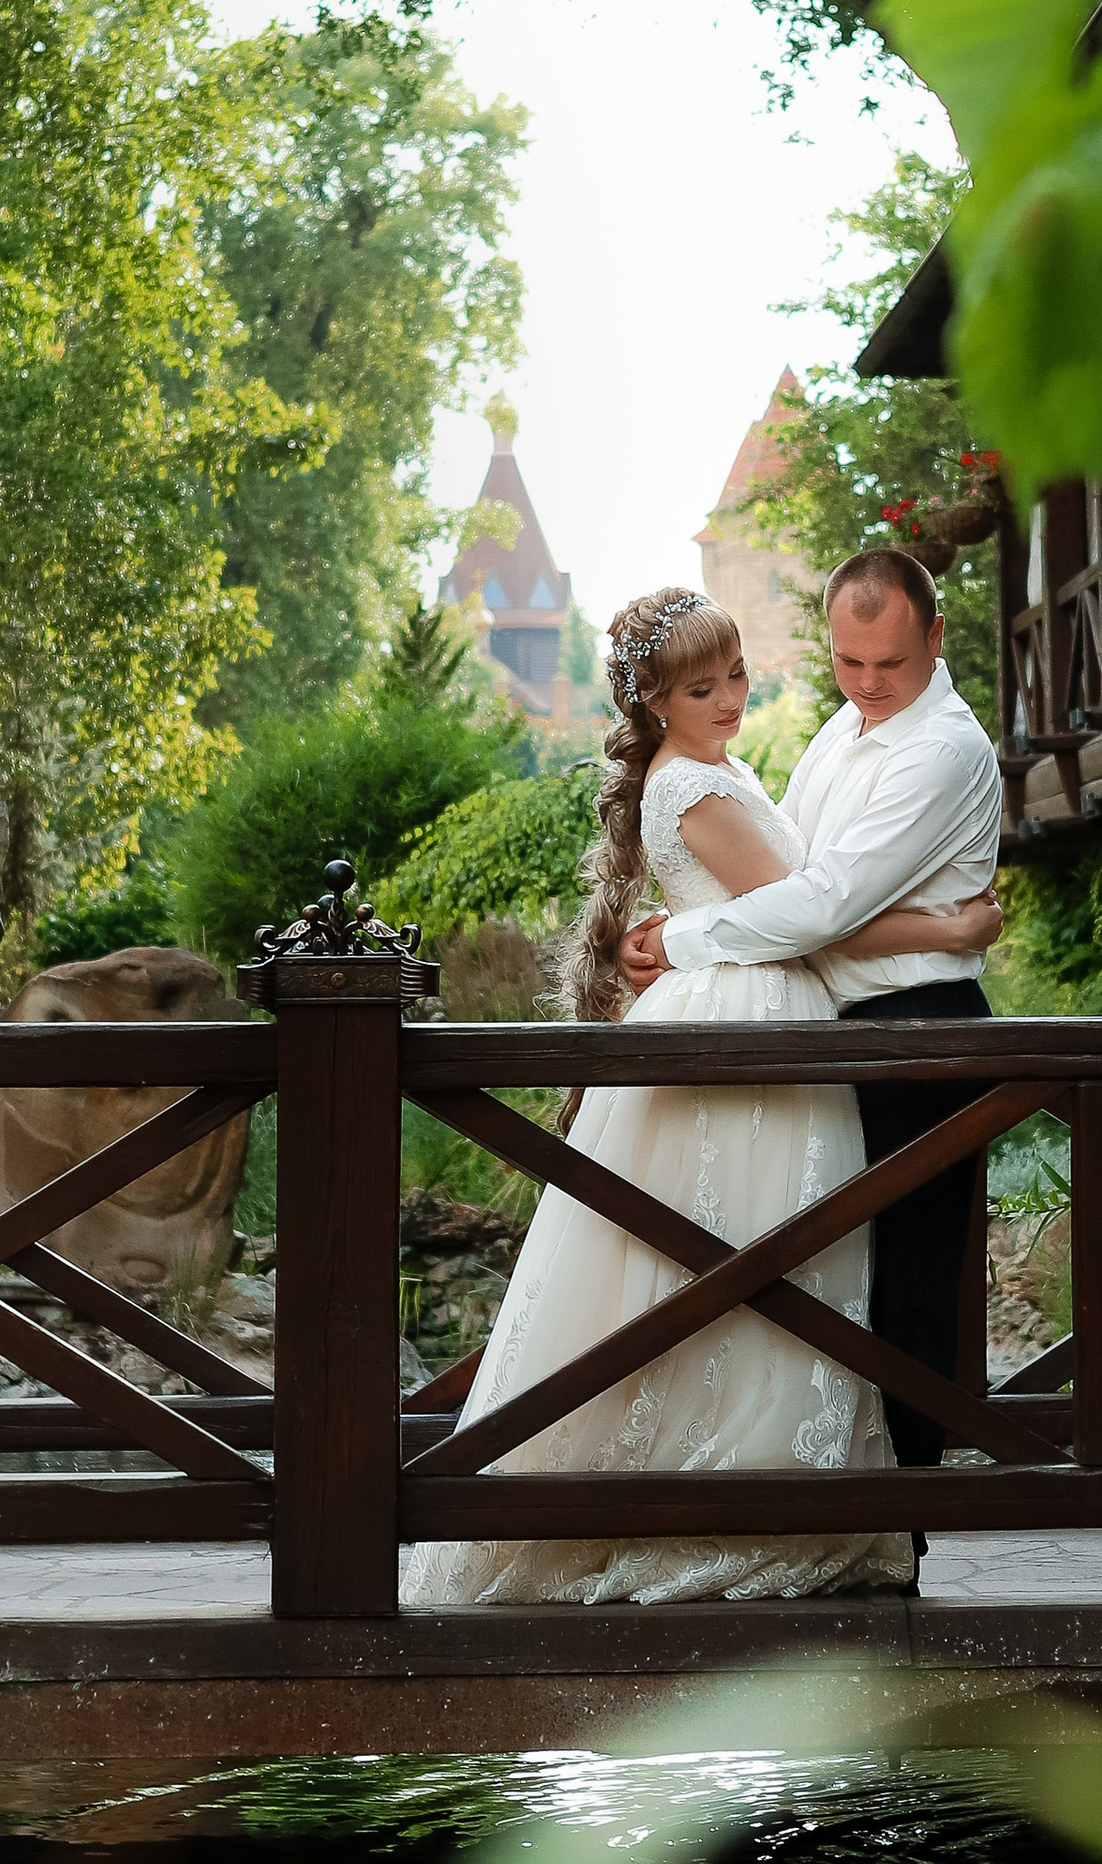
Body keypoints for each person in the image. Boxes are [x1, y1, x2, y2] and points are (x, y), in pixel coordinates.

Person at [397, 587, 1001, 1609]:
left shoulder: (718, 768)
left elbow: (804, 901)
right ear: (654, 702)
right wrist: (951, 931)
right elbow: (817, 913)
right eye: (701, 686)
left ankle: (789, 1481)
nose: (729, 698)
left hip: (756, 1007)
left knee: (758, 1250)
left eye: (734, 676)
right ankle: (720, 1490)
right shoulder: (694, 791)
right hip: (748, 1017)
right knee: (737, 1250)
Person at [620, 546, 1003, 1482]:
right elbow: (786, 880)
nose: (869, 684)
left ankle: (905, 1522)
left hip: (919, 1032)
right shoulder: (845, 730)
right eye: (849, 662)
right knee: (823, 1281)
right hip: (838, 1029)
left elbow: (820, 908)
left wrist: (683, 940)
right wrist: (946, 923)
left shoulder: (943, 751)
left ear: (936, 639)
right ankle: (823, 1497)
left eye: (892, 665)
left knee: (908, 1284)